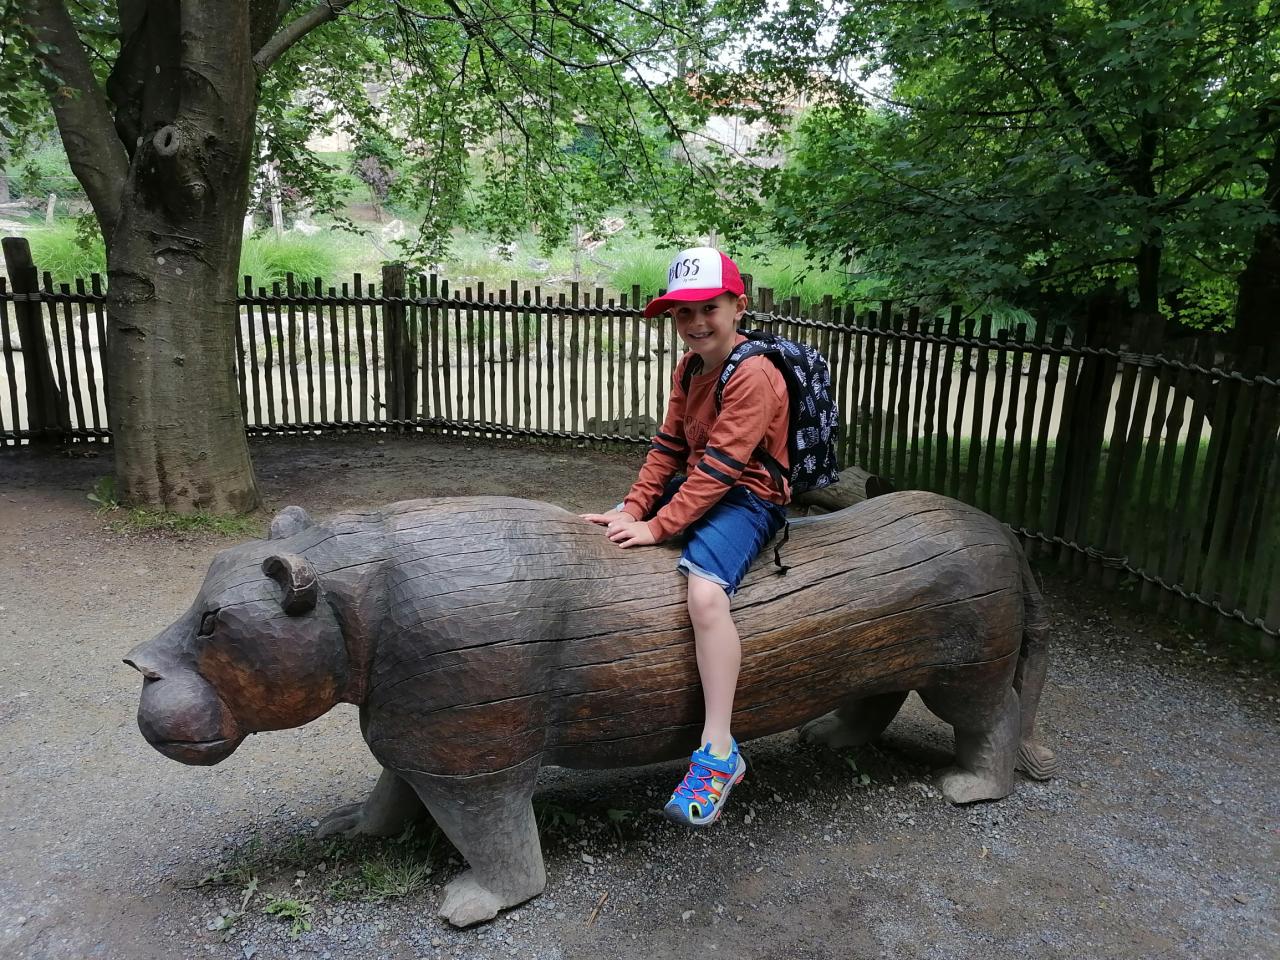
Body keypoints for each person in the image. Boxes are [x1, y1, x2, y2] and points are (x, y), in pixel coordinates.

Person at [580, 246, 791, 828]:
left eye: (709, 308)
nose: (696, 322)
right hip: (704, 481)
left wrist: (658, 526)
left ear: (738, 307)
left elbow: (723, 468)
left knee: (705, 595)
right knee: (615, 525)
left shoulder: (753, 375)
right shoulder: (690, 368)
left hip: (748, 495)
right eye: (683, 312)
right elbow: (669, 447)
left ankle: (719, 748)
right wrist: (634, 507)